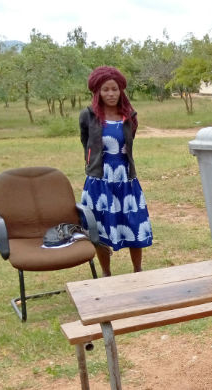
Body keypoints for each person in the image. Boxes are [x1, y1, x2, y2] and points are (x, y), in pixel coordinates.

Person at [79, 66, 153, 277]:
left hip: (125, 179)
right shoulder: (88, 115)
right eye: (105, 90)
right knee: (99, 226)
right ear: (97, 92)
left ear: (121, 90)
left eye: (115, 89)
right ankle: (106, 274)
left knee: (133, 222)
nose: (111, 94)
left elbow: (128, 144)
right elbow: (86, 144)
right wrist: (93, 166)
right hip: (99, 180)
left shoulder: (129, 115)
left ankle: (138, 271)